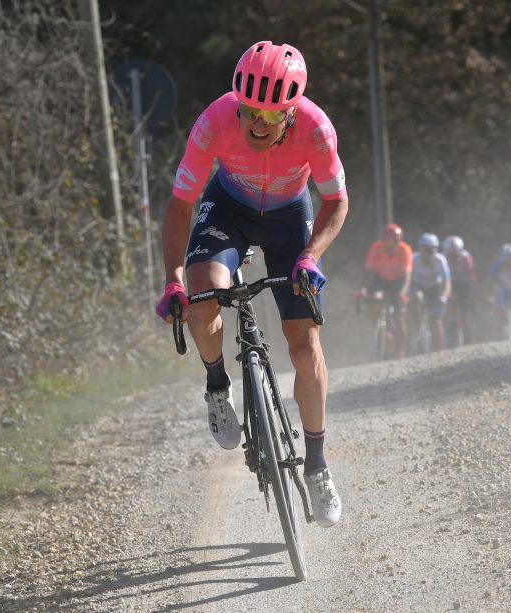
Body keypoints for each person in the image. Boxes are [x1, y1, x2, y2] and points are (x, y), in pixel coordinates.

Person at [154, 41, 345, 528]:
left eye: (270, 113)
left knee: (304, 348)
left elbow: (336, 201)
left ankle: (318, 466)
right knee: (202, 297)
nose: (256, 122)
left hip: (289, 218)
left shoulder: (317, 128)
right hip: (229, 209)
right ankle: (218, 386)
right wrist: (173, 279)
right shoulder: (214, 121)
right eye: (248, 110)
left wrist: (309, 256)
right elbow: (180, 205)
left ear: (292, 112)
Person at [362, 223, 412, 358]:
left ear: (398, 241)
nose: (389, 246)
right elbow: (369, 272)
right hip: (380, 280)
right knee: (375, 299)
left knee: (400, 318)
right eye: (386, 243)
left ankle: (400, 349)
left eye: (392, 243)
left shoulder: (405, 250)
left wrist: (403, 292)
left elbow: (407, 277)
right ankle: (375, 328)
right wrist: (364, 289)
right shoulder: (376, 248)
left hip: (398, 282)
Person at [409, 233, 451, 353]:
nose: (427, 254)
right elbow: (406, 279)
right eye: (424, 250)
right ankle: (416, 324)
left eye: (431, 251)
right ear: (419, 250)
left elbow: (447, 283)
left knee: (437, 322)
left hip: (434, 288)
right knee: (417, 297)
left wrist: (444, 297)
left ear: (436, 251)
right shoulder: (413, 259)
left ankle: (440, 353)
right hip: (418, 286)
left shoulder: (440, 260)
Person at [442, 234, 477, 347]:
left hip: (464, 285)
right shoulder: (443, 258)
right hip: (449, 284)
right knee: (447, 310)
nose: (452, 259)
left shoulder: (466, 258)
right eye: (450, 256)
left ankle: (469, 343)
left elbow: (472, 277)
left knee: (465, 314)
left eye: (455, 256)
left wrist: (472, 295)